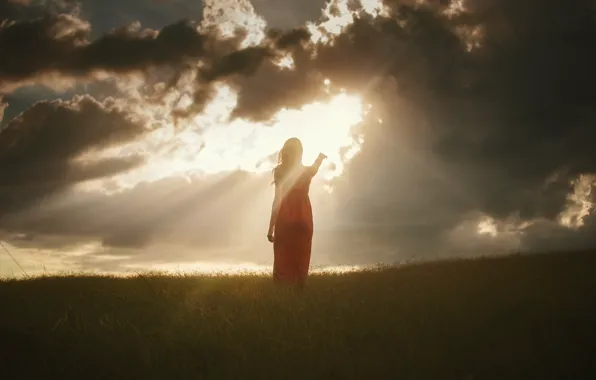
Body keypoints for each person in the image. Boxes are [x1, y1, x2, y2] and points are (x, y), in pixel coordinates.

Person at [267, 137, 327, 289]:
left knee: (282, 257)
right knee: (302, 255)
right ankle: (300, 291)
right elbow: (315, 167)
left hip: (285, 218)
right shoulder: (307, 171)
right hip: (304, 218)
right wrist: (320, 158)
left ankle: (281, 293)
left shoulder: (280, 172)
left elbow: (277, 200)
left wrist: (270, 227)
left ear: (286, 152)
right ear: (300, 152)